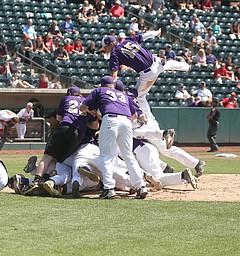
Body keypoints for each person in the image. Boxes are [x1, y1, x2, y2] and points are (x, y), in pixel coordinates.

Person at [100, 33, 205, 178]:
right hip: (155, 63)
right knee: (158, 148)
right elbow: (144, 35)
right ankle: (180, 165)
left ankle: (165, 139)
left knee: (132, 136)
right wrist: (156, 33)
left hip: (144, 123)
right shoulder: (131, 93)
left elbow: (114, 75)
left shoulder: (126, 95)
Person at [80, 76, 148, 199]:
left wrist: (90, 111)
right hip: (126, 122)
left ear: (102, 85)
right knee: (128, 156)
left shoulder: (99, 90)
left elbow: (82, 108)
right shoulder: (123, 94)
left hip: (110, 119)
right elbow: (135, 115)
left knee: (106, 156)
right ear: (113, 85)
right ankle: (141, 186)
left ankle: (109, 188)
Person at [24, 86, 99, 196]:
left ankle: (36, 180)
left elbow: (59, 118)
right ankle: (48, 178)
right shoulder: (85, 101)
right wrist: (83, 122)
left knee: (48, 157)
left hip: (65, 127)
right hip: (78, 135)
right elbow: (95, 125)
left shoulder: (66, 99)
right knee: (60, 160)